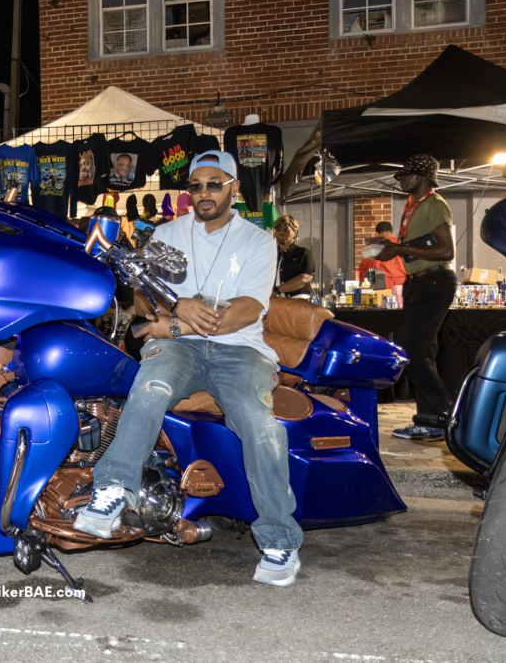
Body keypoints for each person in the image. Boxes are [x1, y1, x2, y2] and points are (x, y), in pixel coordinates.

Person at [73, 150, 303, 587]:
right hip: (179, 348)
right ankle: (111, 493)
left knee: (259, 424)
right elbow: (143, 301)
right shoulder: (166, 234)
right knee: (149, 388)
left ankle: (279, 540)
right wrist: (164, 317)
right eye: (195, 186)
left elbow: (245, 311)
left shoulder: (258, 241)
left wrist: (172, 319)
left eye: (214, 184)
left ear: (234, 188)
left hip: (239, 350)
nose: (203, 193)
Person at [366, 154, 455, 440]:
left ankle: (447, 414)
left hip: (434, 281)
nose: (402, 179)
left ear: (424, 177)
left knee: (410, 348)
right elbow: (418, 244)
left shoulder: (434, 204)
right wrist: (392, 244)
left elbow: (445, 251)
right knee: (423, 351)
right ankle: (430, 422)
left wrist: (400, 250)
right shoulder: (412, 207)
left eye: (408, 174)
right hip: (417, 283)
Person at [272, 215, 315, 297]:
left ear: (295, 233)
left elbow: (304, 278)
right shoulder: (269, 254)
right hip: (275, 302)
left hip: (299, 301)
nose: (281, 233)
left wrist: (278, 290)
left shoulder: (303, 253)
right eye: (278, 230)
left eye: (286, 230)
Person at [357, 221, 406, 289]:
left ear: (377, 234)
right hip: (401, 283)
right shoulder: (402, 244)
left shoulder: (372, 247)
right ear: (392, 233)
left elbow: (363, 270)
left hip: (381, 283)